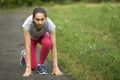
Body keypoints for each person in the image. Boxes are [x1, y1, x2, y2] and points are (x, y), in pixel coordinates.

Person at [20, 7, 63, 77]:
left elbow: (54, 47)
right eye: (37, 19)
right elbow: (27, 46)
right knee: (32, 67)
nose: (40, 22)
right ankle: (24, 54)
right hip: (31, 39)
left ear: (45, 18)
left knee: (48, 43)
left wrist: (55, 67)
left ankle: (41, 65)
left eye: (42, 19)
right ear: (33, 18)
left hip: (42, 37)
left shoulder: (50, 25)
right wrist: (28, 68)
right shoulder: (27, 24)